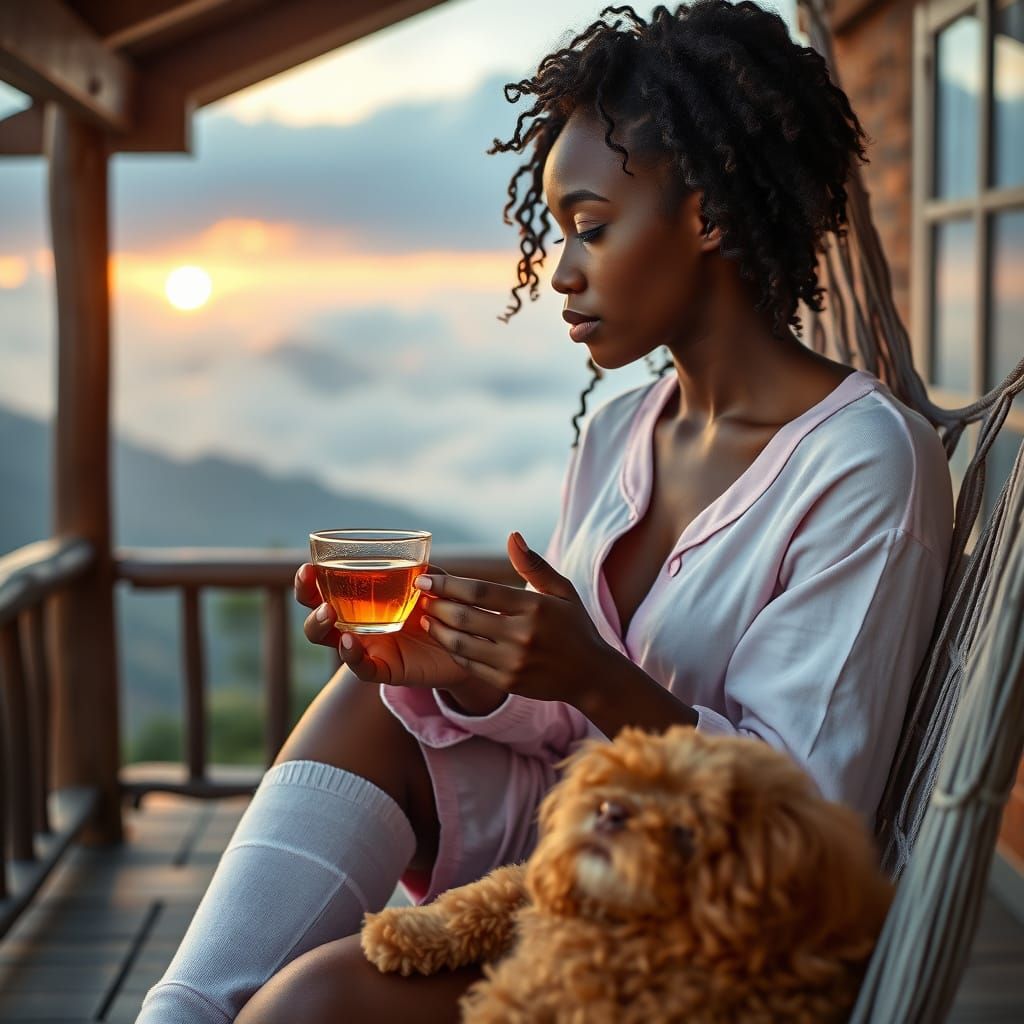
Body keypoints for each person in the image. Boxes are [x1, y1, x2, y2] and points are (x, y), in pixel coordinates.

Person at [137, 3, 954, 1022]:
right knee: (375, 694)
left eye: (591, 228)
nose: (561, 272)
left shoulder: (863, 464)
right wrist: (472, 671)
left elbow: (807, 817)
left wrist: (590, 672)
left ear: (707, 214)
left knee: (309, 1005)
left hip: (699, 910)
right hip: (576, 834)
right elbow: (571, 714)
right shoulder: (622, 427)